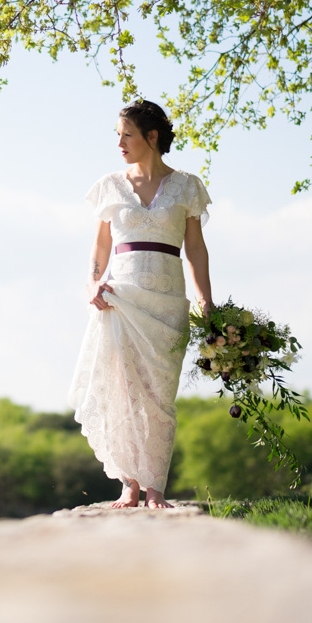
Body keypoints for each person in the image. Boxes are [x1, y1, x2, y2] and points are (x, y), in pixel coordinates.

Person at [68, 100, 213, 509]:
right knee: (123, 391)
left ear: (152, 137)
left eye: (126, 134)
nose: (120, 143)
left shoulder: (187, 187)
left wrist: (205, 299)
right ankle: (130, 484)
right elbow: (101, 244)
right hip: (122, 299)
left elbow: (196, 249)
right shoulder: (109, 185)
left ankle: (156, 489)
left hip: (168, 302)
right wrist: (94, 282)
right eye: (117, 135)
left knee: (160, 396)